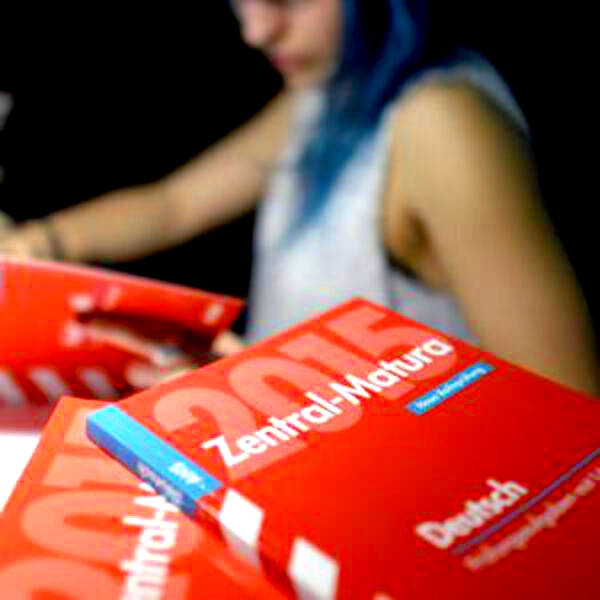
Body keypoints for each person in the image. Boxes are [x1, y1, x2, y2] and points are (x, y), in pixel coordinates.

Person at [1, 0, 598, 396]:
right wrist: (32, 245)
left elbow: (568, 418)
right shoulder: (335, 92)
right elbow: (175, 204)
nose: (256, 30)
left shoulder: (442, 124)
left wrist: (260, 402)